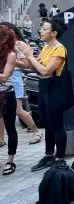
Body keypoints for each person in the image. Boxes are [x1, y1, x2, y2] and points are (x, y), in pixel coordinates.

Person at [17, 18, 73, 171]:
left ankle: (60, 158)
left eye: (44, 29)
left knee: (57, 125)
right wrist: (26, 54)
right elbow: (34, 68)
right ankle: (49, 155)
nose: (40, 30)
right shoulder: (46, 47)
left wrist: (30, 56)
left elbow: (46, 71)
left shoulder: (59, 49)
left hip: (56, 91)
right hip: (44, 90)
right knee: (47, 125)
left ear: (53, 33)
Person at [0, 23, 41, 145]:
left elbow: (26, 65)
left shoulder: (19, 45)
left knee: (18, 110)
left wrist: (11, 61)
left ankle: (36, 131)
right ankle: (1, 139)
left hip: (15, 77)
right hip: (4, 79)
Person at [0, 26, 19, 176]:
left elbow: (5, 76)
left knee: (10, 128)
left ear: (5, 39)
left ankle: (10, 159)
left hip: (6, 95)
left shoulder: (11, 54)